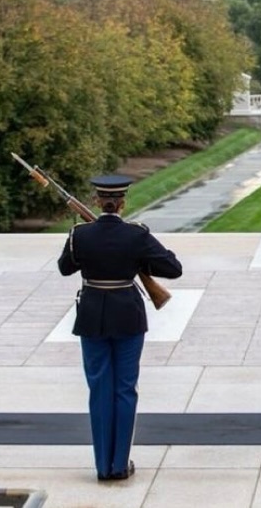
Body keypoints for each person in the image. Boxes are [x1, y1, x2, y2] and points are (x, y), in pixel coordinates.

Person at [57, 174, 183, 482]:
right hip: (127, 316)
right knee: (125, 389)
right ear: (123, 203)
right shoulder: (136, 235)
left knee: (100, 389)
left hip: (92, 318)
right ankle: (119, 465)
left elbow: (65, 267)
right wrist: (141, 261)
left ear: (97, 202)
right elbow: (173, 268)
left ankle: (102, 467)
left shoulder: (80, 233)